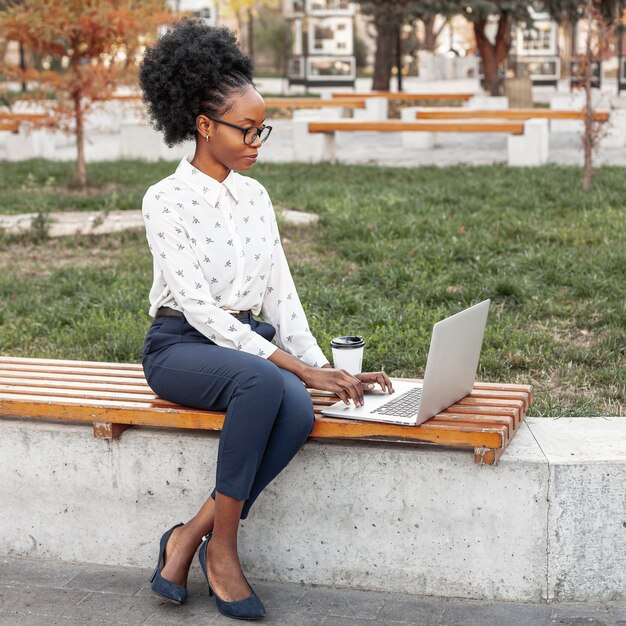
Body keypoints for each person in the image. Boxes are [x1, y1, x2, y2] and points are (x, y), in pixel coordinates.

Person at [138, 20, 394, 621]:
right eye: (246, 129)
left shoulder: (255, 197)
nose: (258, 140)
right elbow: (199, 308)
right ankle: (222, 551)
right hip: (179, 346)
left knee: (300, 407)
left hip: (246, 344)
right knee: (265, 381)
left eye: (262, 129)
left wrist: (324, 372)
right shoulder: (165, 200)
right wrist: (293, 364)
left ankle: (188, 537)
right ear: (204, 127)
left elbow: (281, 295)